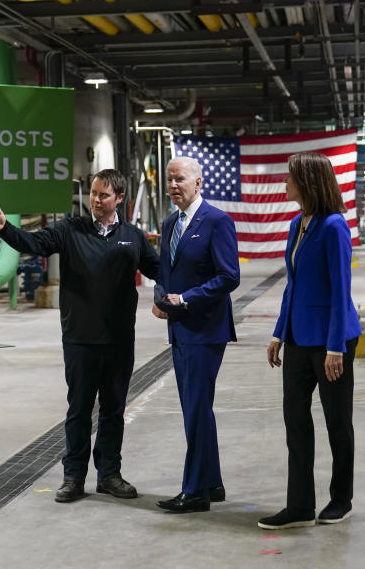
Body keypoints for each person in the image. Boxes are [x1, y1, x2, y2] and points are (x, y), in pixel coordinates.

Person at [0, 168, 160, 503]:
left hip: (119, 340)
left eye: (104, 195)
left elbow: (161, 270)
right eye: (93, 193)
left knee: (113, 410)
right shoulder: (70, 230)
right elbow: (35, 243)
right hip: (80, 338)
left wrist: (180, 292)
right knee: (79, 410)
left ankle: (110, 475)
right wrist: (6, 230)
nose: (96, 200)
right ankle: (73, 476)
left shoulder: (133, 237)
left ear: (119, 198)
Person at [260, 151, 362, 530]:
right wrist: (278, 333)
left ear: (308, 181)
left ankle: (341, 499)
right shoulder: (296, 224)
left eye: (290, 177)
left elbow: (341, 290)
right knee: (295, 419)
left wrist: (335, 346)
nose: (285, 183)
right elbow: (294, 284)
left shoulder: (334, 226)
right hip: (299, 338)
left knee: (338, 421)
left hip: (332, 342)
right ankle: (300, 505)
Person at [152, 156, 240, 513]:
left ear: (199, 182)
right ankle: (212, 483)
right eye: (170, 180)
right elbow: (165, 271)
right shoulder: (170, 222)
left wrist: (187, 298)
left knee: (196, 409)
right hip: (179, 330)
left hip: (205, 330)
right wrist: (161, 296)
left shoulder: (217, 221)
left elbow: (229, 276)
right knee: (196, 408)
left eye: (181, 179)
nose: (174, 185)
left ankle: (195, 491)